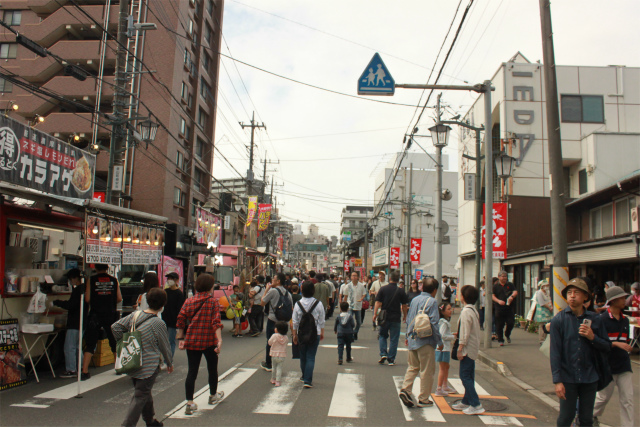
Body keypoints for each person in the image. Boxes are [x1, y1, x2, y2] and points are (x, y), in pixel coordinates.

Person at [550, 278, 611, 427]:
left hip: (589, 376)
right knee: (566, 417)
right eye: (569, 293)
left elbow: (607, 346)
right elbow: (555, 352)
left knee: (586, 418)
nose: (572, 296)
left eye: (576, 292)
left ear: (585, 297)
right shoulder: (559, 320)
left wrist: (592, 337)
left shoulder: (595, 319)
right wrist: (557, 381)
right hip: (567, 377)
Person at [112, 288, 173, 427]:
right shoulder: (158, 323)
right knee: (140, 395)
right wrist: (169, 362)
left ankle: (150, 421)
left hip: (133, 360)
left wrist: (125, 343)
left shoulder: (135, 315)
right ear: (163, 305)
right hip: (149, 365)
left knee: (144, 392)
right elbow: (164, 345)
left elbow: (115, 327)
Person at [176, 273, 224, 416]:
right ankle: (213, 395)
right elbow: (216, 322)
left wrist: (181, 338)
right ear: (210, 287)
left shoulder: (189, 301)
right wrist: (219, 340)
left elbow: (180, 319)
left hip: (192, 341)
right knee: (212, 369)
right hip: (209, 341)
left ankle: (189, 403)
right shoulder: (213, 302)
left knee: (192, 372)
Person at [593, 286, 635, 427]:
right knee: (603, 397)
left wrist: (626, 346)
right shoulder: (601, 320)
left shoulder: (625, 320)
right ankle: (588, 415)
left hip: (624, 364)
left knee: (627, 399)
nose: (625, 300)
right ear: (613, 300)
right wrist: (615, 344)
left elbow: (625, 340)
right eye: (622, 298)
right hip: (607, 365)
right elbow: (597, 342)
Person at [398, 278, 441, 408]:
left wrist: (407, 335)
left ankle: (406, 389)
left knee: (413, 366)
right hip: (426, 340)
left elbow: (409, 319)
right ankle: (423, 398)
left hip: (413, 338)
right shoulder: (432, 302)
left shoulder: (415, 300)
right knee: (427, 370)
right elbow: (434, 323)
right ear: (435, 290)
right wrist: (439, 341)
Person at [82, 264, 122, 380]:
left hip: (95, 315)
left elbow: (87, 299)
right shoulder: (114, 280)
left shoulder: (91, 279)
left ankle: (84, 371)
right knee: (113, 341)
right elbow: (119, 298)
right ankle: (118, 367)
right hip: (110, 314)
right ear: (107, 268)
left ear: (96, 268)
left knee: (91, 343)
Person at [451, 285, 484, 415]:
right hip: (473, 347)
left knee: (465, 376)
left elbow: (464, 333)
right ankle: (466, 401)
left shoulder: (466, 312)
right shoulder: (473, 310)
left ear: (464, 297)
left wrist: (460, 349)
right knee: (469, 375)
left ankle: (476, 404)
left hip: (467, 348)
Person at [52, 268, 87, 378]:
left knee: (69, 347)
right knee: (77, 347)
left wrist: (57, 302)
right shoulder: (85, 289)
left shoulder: (78, 291)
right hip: (83, 321)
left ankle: (71, 370)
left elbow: (71, 305)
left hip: (74, 322)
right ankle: (81, 367)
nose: (70, 281)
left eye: (71, 279)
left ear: (75, 278)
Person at [292, 280, 325, 388]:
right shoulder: (318, 304)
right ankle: (308, 380)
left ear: (301, 290)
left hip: (301, 333)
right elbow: (321, 320)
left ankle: (303, 375)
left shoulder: (298, 304)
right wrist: (322, 332)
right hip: (315, 332)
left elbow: (295, 321)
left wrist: (294, 335)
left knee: (303, 356)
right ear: (313, 291)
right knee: (311, 356)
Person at [373, 271, 409, 366]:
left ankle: (383, 354)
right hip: (396, 317)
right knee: (394, 338)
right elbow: (404, 305)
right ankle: (391, 358)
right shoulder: (401, 291)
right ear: (398, 280)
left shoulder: (383, 289)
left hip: (384, 317)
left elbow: (377, 302)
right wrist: (405, 315)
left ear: (389, 279)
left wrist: (375, 314)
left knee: (382, 335)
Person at [260, 273, 292, 372]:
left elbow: (262, 302)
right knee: (280, 342)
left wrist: (266, 289)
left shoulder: (273, 291)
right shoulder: (288, 293)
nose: (272, 280)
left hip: (273, 319)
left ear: (278, 281)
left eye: (274, 279)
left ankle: (268, 363)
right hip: (283, 321)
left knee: (270, 341)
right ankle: (278, 363)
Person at [435, 302, 457, 396]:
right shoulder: (443, 322)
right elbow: (442, 335)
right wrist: (452, 336)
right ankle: (439, 388)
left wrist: (451, 334)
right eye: (448, 309)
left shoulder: (443, 322)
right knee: (442, 368)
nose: (450, 311)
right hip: (443, 348)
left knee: (446, 367)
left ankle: (444, 385)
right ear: (442, 311)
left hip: (445, 348)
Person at [492, 271, 518, 346]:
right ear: (499, 277)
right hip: (499, 308)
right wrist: (498, 301)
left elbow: (515, 292)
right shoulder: (495, 286)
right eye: (503, 276)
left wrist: (511, 297)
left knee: (511, 323)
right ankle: (500, 339)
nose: (504, 278)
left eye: (505, 276)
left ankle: (507, 334)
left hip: (509, 307)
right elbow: (492, 296)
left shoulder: (510, 284)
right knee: (499, 324)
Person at [163, 272, 185, 357]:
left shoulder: (179, 293)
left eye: (171, 278)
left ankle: (169, 360)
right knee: (164, 341)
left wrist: (179, 323)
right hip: (163, 320)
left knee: (171, 341)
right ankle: (165, 359)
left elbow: (180, 309)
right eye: (168, 278)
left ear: (176, 280)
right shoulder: (165, 292)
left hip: (173, 321)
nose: (169, 280)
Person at [340, 272, 367, 340]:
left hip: (358, 306)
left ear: (357, 277)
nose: (354, 277)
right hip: (350, 306)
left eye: (355, 276)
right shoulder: (348, 286)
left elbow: (364, 294)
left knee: (359, 322)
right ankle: (351, 334)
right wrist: (343, 307)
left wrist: (361, 299)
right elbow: (345, 296)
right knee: (349, 321)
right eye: (352, 275)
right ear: (351, 277)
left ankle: (355, 332)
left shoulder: (361, 285)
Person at [268, 321, 289, 387]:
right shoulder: (286, 337)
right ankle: (278, 381)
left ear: (277, 329)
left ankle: (273, 379)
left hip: (274, 354)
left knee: (274, 367)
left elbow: (269, 342)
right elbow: (286, 343)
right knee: (279, 368)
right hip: (282, 355)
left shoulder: (274, 336)